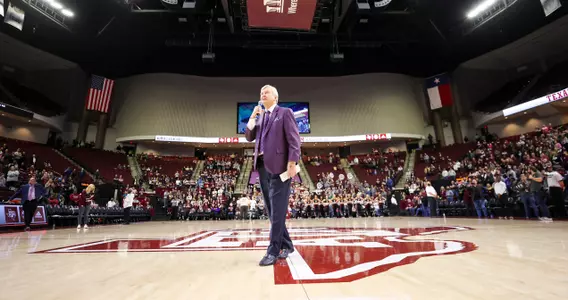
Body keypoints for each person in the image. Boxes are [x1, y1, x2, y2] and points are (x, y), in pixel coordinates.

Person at [245, 84, 301, 266]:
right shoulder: (260, 117)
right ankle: (287, 244)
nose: (262, 93)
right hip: (261, 166)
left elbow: (294, 140)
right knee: (271, 211)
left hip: (280, 167)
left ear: (275, 97)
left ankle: (273, 250)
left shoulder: (284, 113)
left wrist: (292, 162)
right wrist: (253, 116)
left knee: (277, 210)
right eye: (261, 92)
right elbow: (248, 136)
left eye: (266, 91)